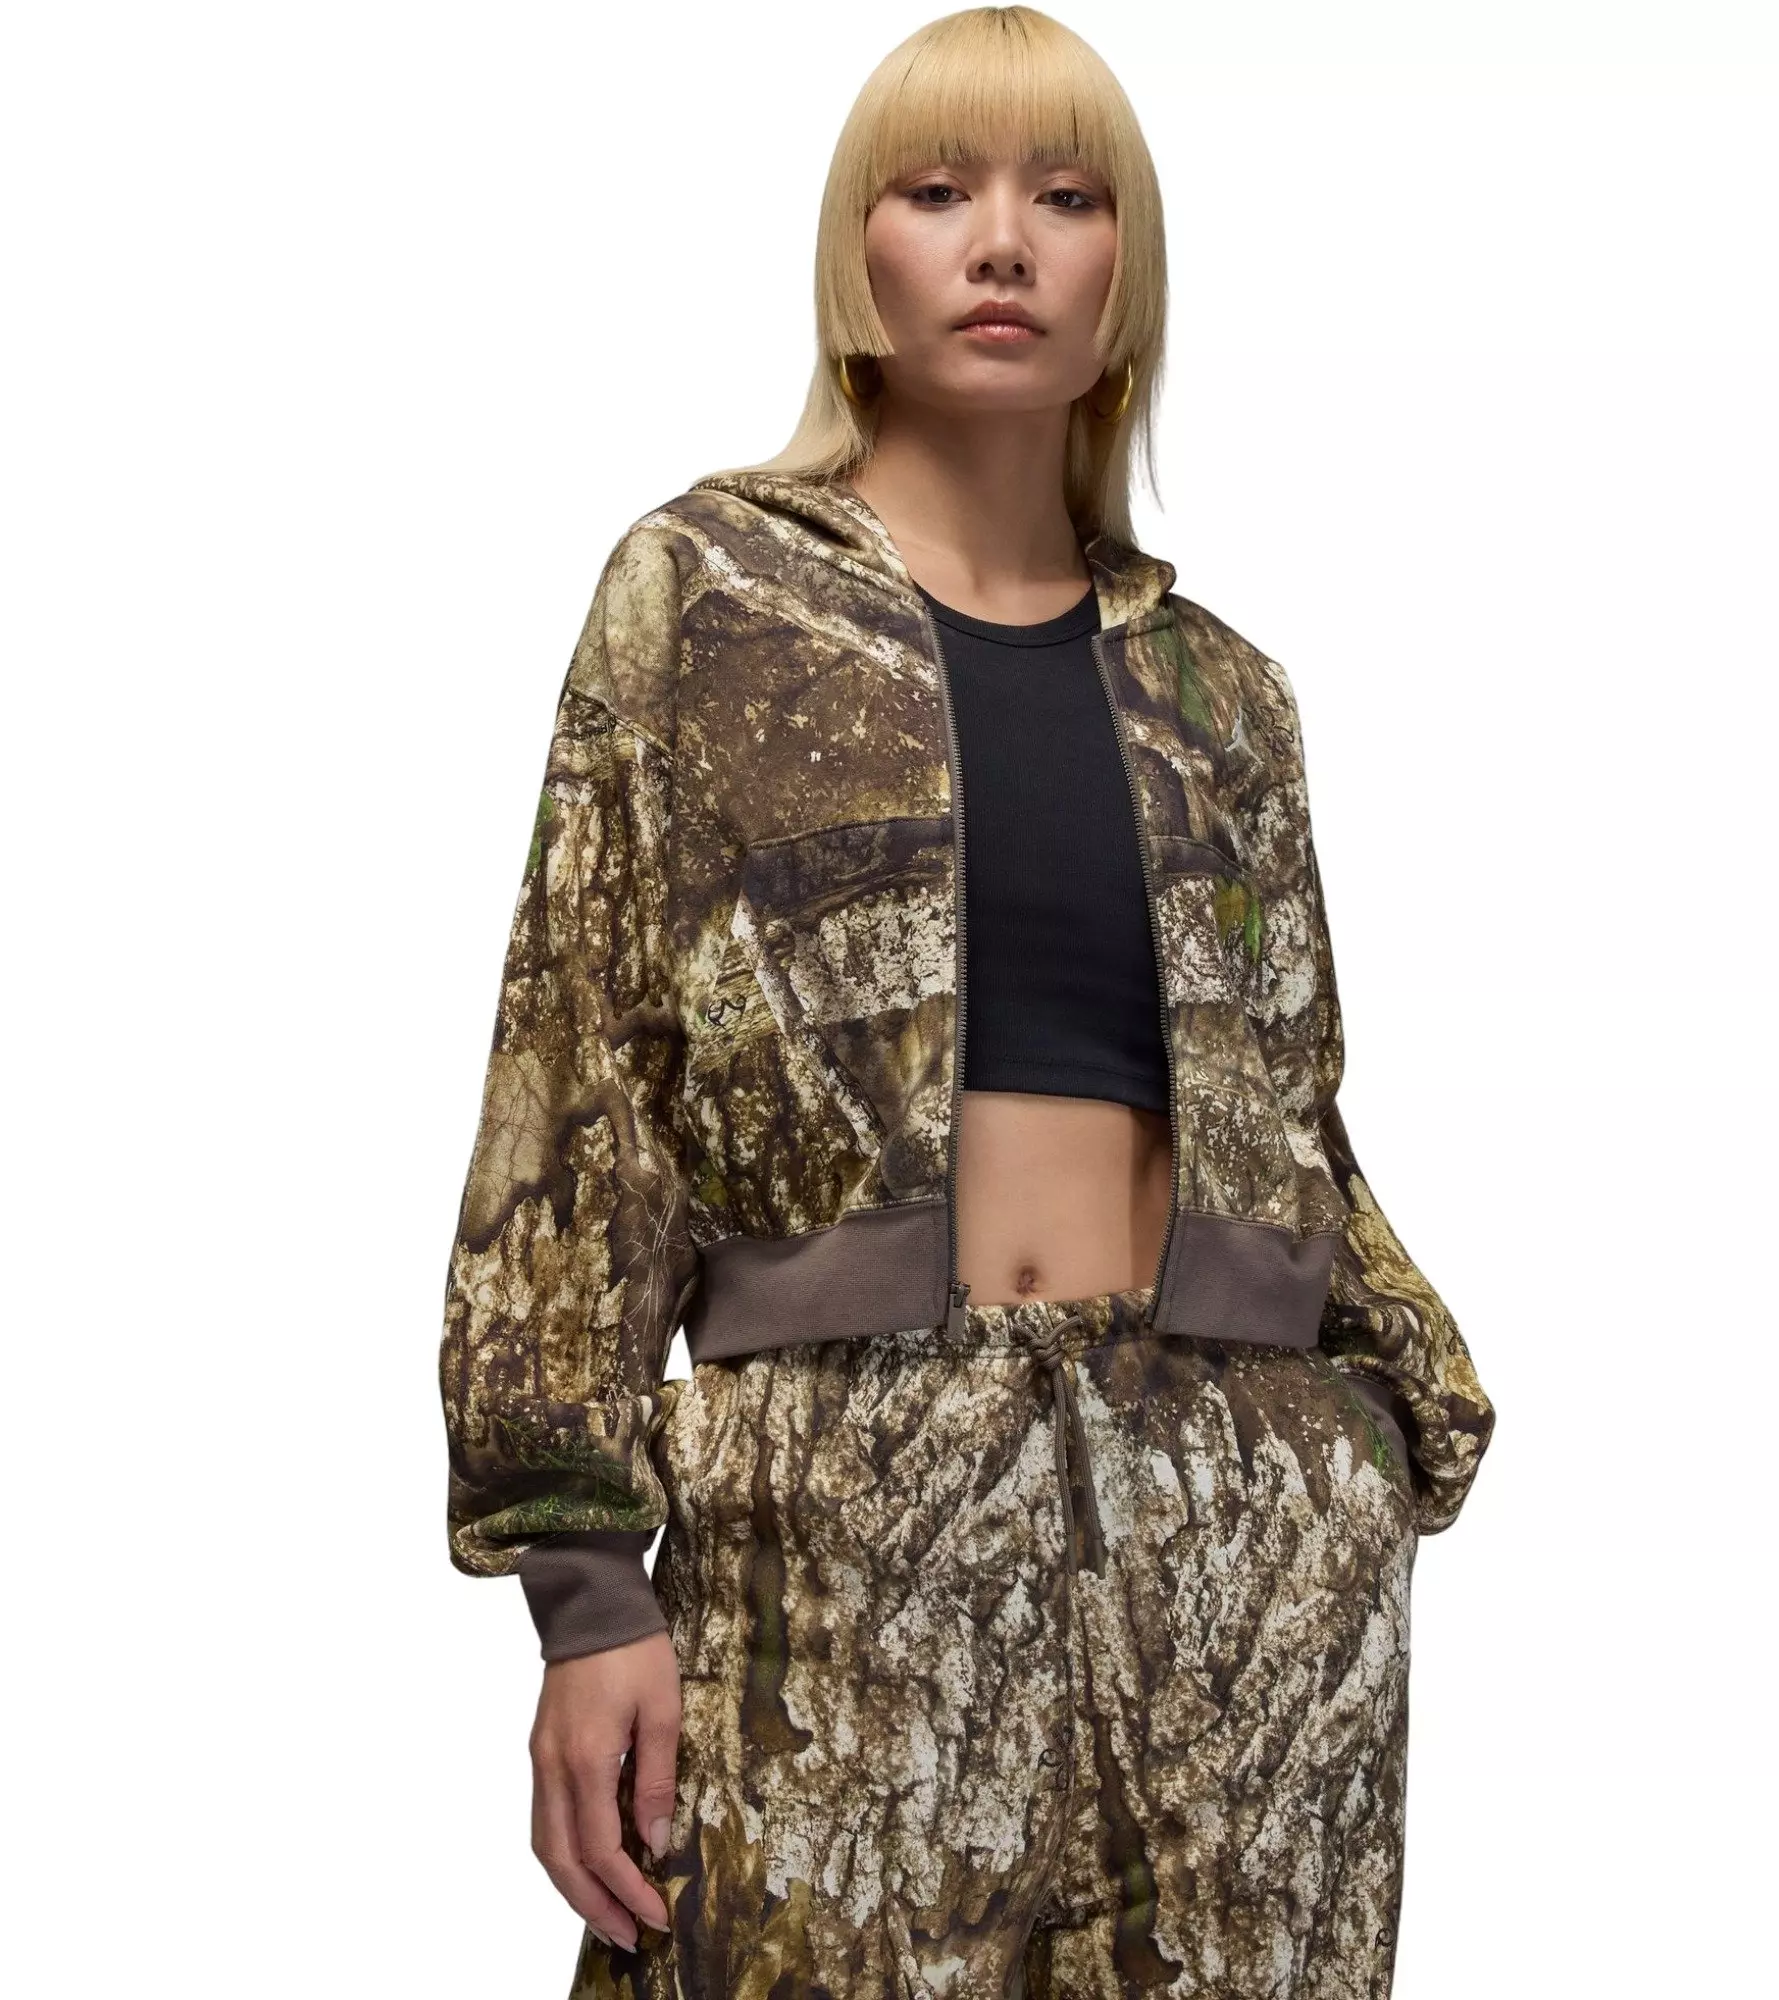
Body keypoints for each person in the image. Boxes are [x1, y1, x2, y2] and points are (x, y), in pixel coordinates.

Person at [437, 9, 1496, 1994]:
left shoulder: (1223, 696)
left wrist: (1365, 1437)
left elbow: (1295, 1114)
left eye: (1065, 197)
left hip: (1240, 1552)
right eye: (936, 191)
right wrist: (585, 1583)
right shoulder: (709, 597)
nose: (1001, 240)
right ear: (860, 253)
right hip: (842, 1513)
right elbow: (576, 1084)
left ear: (1124, 275)